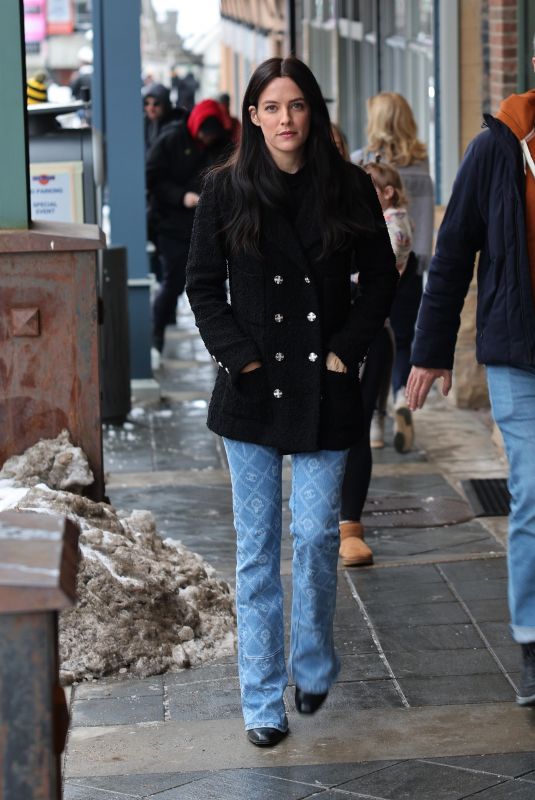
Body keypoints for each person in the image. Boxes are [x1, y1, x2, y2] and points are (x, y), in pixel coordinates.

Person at [186, 56, 398, 746]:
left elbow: (378, 283)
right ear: (252, 116)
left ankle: (310, 664)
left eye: (296, 106)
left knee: (312, 537)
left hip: (324, 390)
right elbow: (201, 285)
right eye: (271, 107)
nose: (285, 119)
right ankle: (261, 703)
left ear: (314, 113)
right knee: (255, 554)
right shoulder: (225, 189)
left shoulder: (347, 187)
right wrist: (239, 356)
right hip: (250, 395)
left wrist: (343, 351)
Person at [406, 50, 535, 706]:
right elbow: (453, 250)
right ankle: (532, 640)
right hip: (521, 355)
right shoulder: (497, 147)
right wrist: (429, 350)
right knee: (534, 493)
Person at [352, 92, 434, 452]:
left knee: (372, 342)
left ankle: (375, 424)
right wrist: (422, 261)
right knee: (402, 338)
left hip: (370, 268)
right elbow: (427, 219)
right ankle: (402, 397)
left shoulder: (361, 162)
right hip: (409, 262)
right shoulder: (420, 164)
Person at [340, 160, 412, 567]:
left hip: (367, 334)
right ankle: (330, 519)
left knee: (355, 428)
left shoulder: (385, 222)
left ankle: (349, 525)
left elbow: (383, 272)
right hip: (320, 337)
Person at [146, 98, 231, 354]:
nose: (206, 140)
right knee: (174, 281)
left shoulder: (221, 144)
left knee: (217, 283)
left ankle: (225, 343)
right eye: (204, 134)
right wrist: (182, 197)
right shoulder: (172, 139)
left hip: (212, 225)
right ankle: (155, 336)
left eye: (211, 135)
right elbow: (152, 177)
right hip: (173, 224)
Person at [142, 82, 185, 153]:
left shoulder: (176, 125)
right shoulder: (145, 123)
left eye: (156, 104)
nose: (150, 108)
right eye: (147, 103)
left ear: (165, 105)